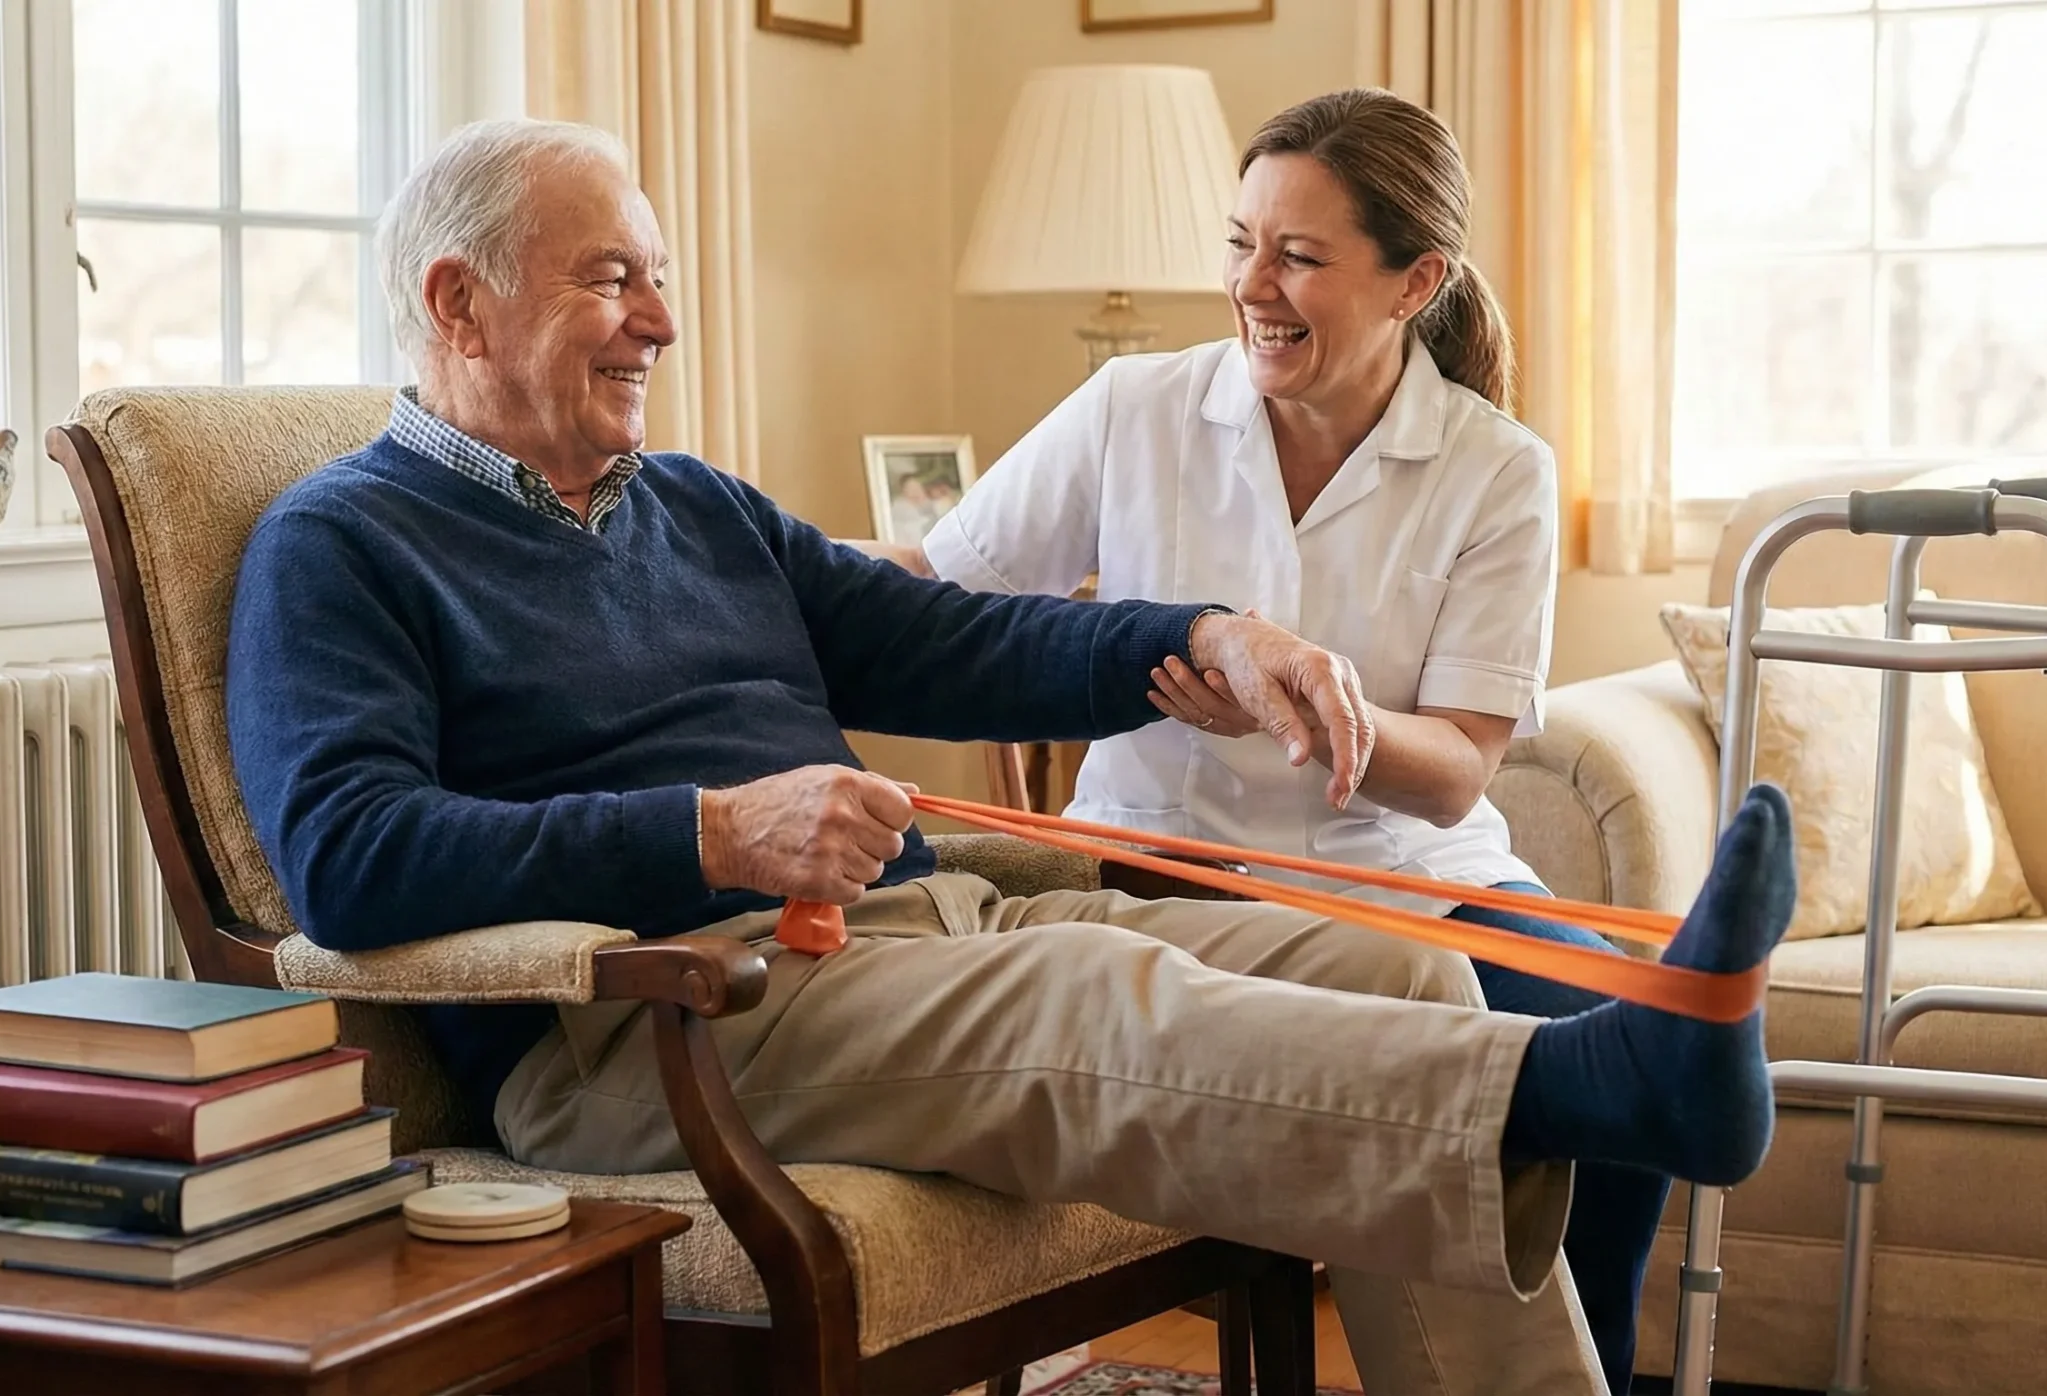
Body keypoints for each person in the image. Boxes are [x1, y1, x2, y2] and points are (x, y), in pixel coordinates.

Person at [223, 116, 1796, 1396]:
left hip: (897, 937)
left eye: (656, 274)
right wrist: (710, 833)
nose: (660, 318)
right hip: (664, 1022)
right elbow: (349, 861)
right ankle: (1611, 1082)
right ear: (458, 304)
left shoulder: (691, 505)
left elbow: (962, 636)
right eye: (610, 278)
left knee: (1397, 974)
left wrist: (1208, 635)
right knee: (1091, 993)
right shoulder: (344, 543)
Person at [859, 89, 1671, 1383]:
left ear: (1418, 281)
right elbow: (934, 587)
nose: (1255, 286)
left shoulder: (1496, 469)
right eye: (1241, 244)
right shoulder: (1135, 408)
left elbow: (1457, 770)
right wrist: (752, 565)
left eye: (1299, 256)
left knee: (1615, 1052)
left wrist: (1311, 705)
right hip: (1150, 868)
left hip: (1402, 879)